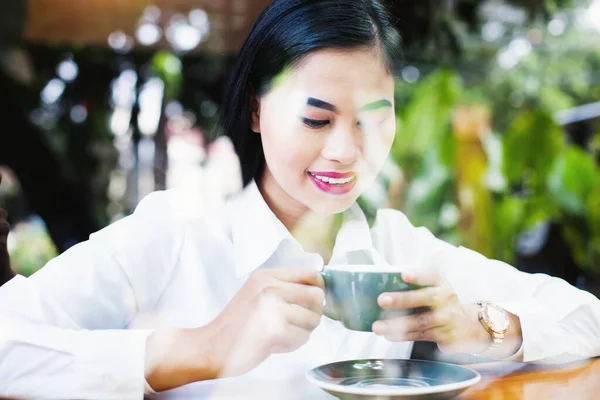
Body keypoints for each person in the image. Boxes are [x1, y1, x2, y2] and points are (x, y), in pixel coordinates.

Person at [1, 0, 600, 398]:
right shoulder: (177, 234)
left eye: (373, 120)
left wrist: (482, 329)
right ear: (258, 110)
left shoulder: (400, 251)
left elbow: (589, 321)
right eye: (317, 119)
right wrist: (196, 350)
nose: (346, 151)